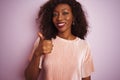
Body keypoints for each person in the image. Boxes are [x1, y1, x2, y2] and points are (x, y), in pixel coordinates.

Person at [24, 0, 94, 80]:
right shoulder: (43, 42)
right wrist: (37, 53)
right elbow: (29, 78)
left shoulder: (84, 46)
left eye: (65, 13)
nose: (59, 18)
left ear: (74, 17)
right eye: (55, 14)